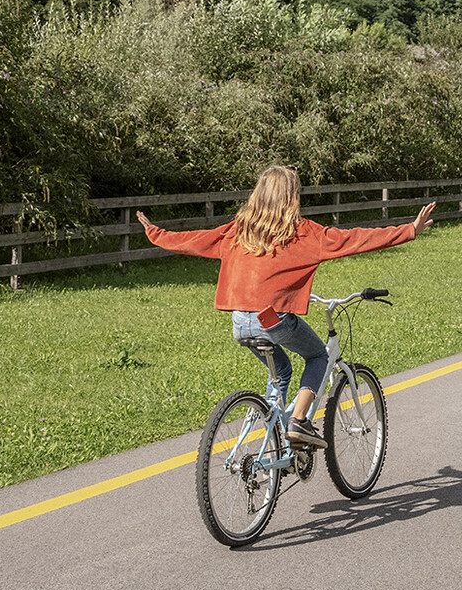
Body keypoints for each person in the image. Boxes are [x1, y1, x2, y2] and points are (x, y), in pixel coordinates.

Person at [138, 166, 435, 448]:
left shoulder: (238, 231)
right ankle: (298, 421)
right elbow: (355, 239)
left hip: (240, 321)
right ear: (291, 197)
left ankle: (273, 432)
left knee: (280, 370)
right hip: (273, 319)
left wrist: (155, 233)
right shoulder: (303, 233)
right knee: (318, 356)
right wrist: (409, 230)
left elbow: (193, 240)